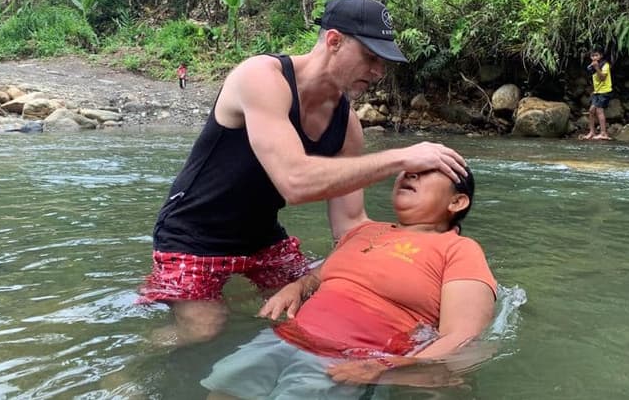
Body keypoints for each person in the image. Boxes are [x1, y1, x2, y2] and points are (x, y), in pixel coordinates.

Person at [139, 0, 469, 346]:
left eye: (383, 62)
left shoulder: (347, 127)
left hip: (262, 237)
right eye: (370, 57)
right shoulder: (261, 78)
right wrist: (400, 158)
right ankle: (134, 361)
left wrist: (421, 243)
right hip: (193, 233)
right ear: (334, 41)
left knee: (316, 297)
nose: (379, 72)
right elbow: (294, 181)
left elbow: (350, 225)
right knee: (203, 329)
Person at [200, 166, 497, 399]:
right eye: (409, 167)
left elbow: (462, 338)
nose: (411, 172)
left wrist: (383, 368)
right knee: (225, 391)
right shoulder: (364, 231)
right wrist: (297, 287)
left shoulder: (459, 249)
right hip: (284, 338)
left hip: (347, 362)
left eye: (430, 170)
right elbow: (321, 276)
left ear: (457, 201)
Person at [581, 47, 613, 140]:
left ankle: (603, 133)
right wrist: (593, 66)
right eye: (592, 56)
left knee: (599, 110)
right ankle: (592, 132)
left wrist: (596, 67)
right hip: (597, 91)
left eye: (596, 55)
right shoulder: (593, 65)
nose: (594, 57)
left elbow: (602, 78)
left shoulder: (605, 65)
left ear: (601, 56)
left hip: (605, 91)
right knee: (591, 111)